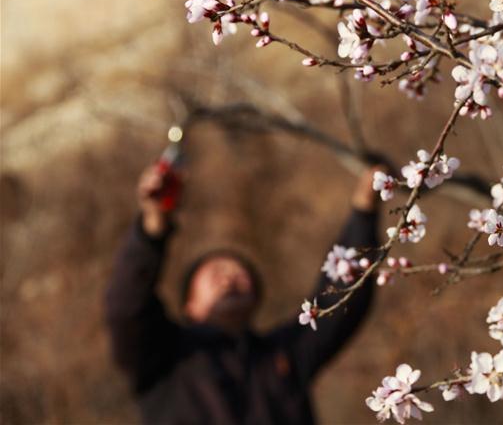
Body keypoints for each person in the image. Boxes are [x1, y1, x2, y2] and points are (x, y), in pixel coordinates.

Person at [105, 160, 384, 424]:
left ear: (256, 300)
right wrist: (153, 226)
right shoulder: (164, 358)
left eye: (240, 273)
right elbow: (126, 305)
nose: (229, 277)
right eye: (215, 272)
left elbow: (340, 301)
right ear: (189, 304)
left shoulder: (282, 355)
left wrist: (364, 211)